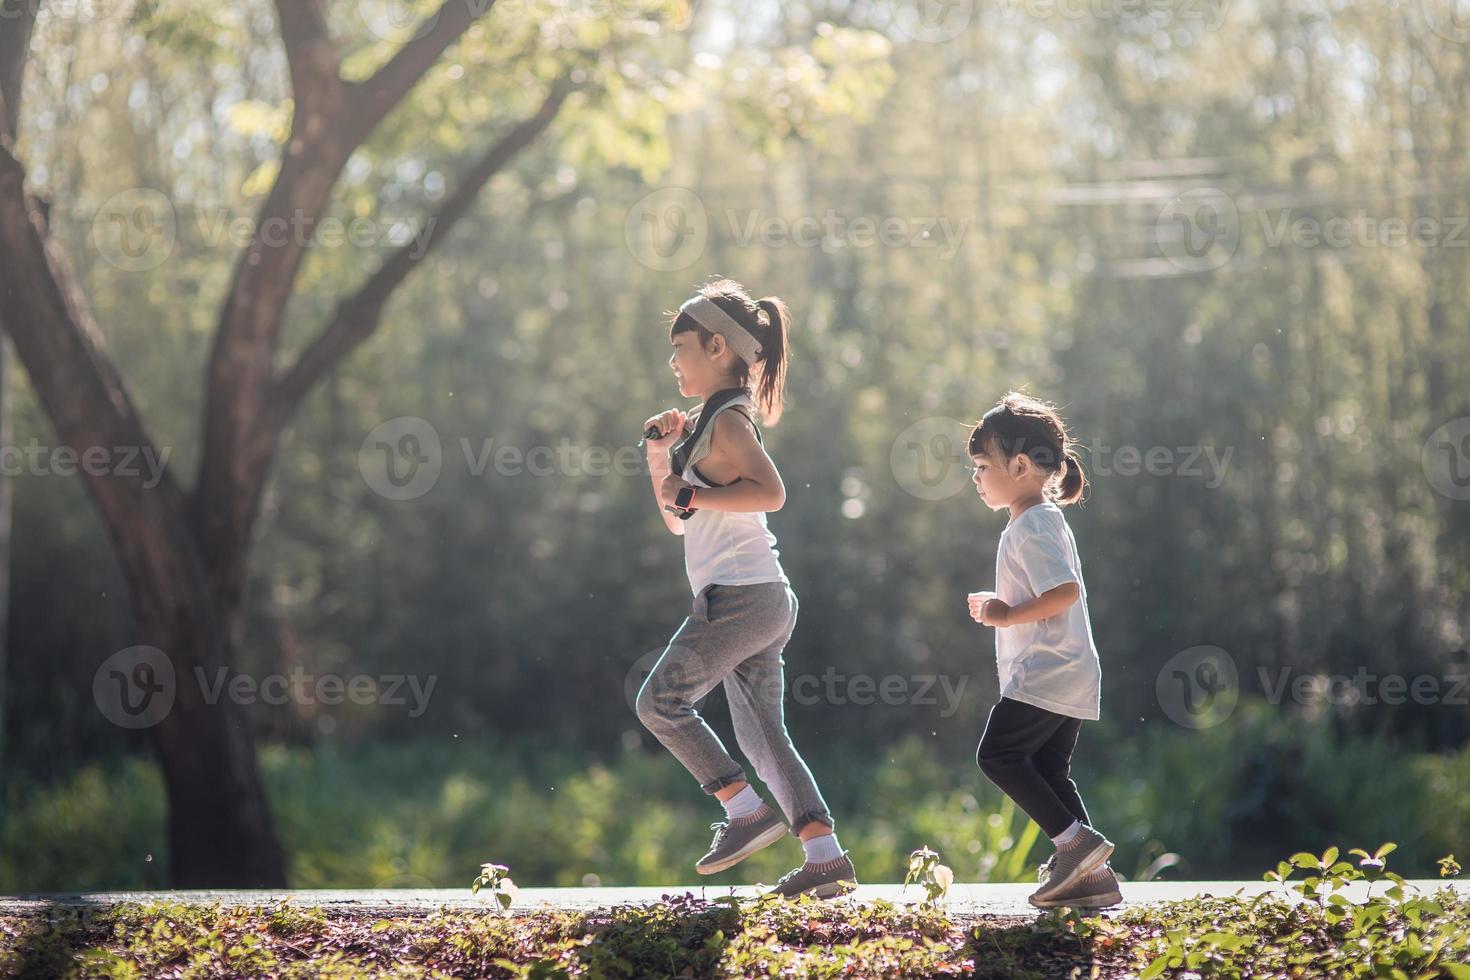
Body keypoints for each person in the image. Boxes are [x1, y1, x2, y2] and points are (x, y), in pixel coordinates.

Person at [636, 278, 857, 900]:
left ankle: (745, 814)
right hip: (757, 597)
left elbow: (773, 492)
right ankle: (824, 857)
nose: (673, 360)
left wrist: (696, 491)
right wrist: (660, 454)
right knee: (762, 737)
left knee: (659, 703)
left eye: (681, 346)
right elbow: (677, 515)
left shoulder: (729, 421)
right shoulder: (707, 424)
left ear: (716, 347)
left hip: (738, 598)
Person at [965, 391, 1121, 909]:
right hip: (1071, 671)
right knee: (1050, 774)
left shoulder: (1031, 524)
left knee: (999, 756)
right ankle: (1092, 877)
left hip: (1047, 672)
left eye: (983, 466)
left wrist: (1004, 615)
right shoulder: (1040, 519)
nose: (977, 477)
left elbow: (1064, 591)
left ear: (1021, 465)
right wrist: (1002, 604)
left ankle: (1074, 845)